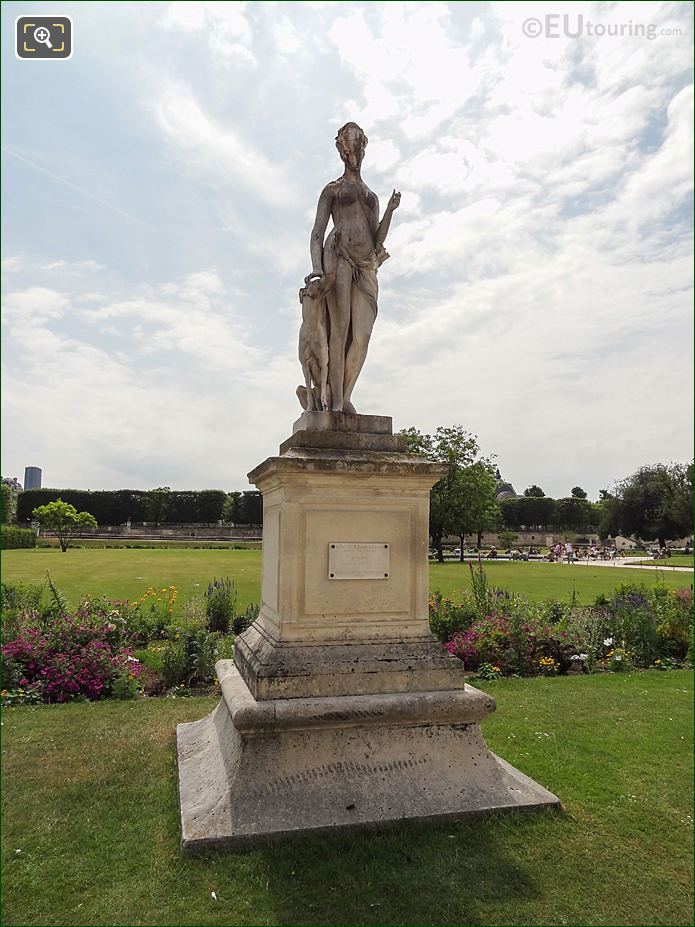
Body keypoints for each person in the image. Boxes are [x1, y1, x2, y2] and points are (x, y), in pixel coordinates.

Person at [306, 123, 401, 413]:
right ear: (341, 149)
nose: (352, 150)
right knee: (340, 329)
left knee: (361, 335)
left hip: (365, 264)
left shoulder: (371, 196)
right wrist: (317, 269)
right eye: (347, 144)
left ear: (363, 146)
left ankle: (344, 392)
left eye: (357, 143)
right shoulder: (333, 189)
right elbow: (317, 232)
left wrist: (390, 212)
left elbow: (376, 238)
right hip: (339, 257)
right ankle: (336, 403)